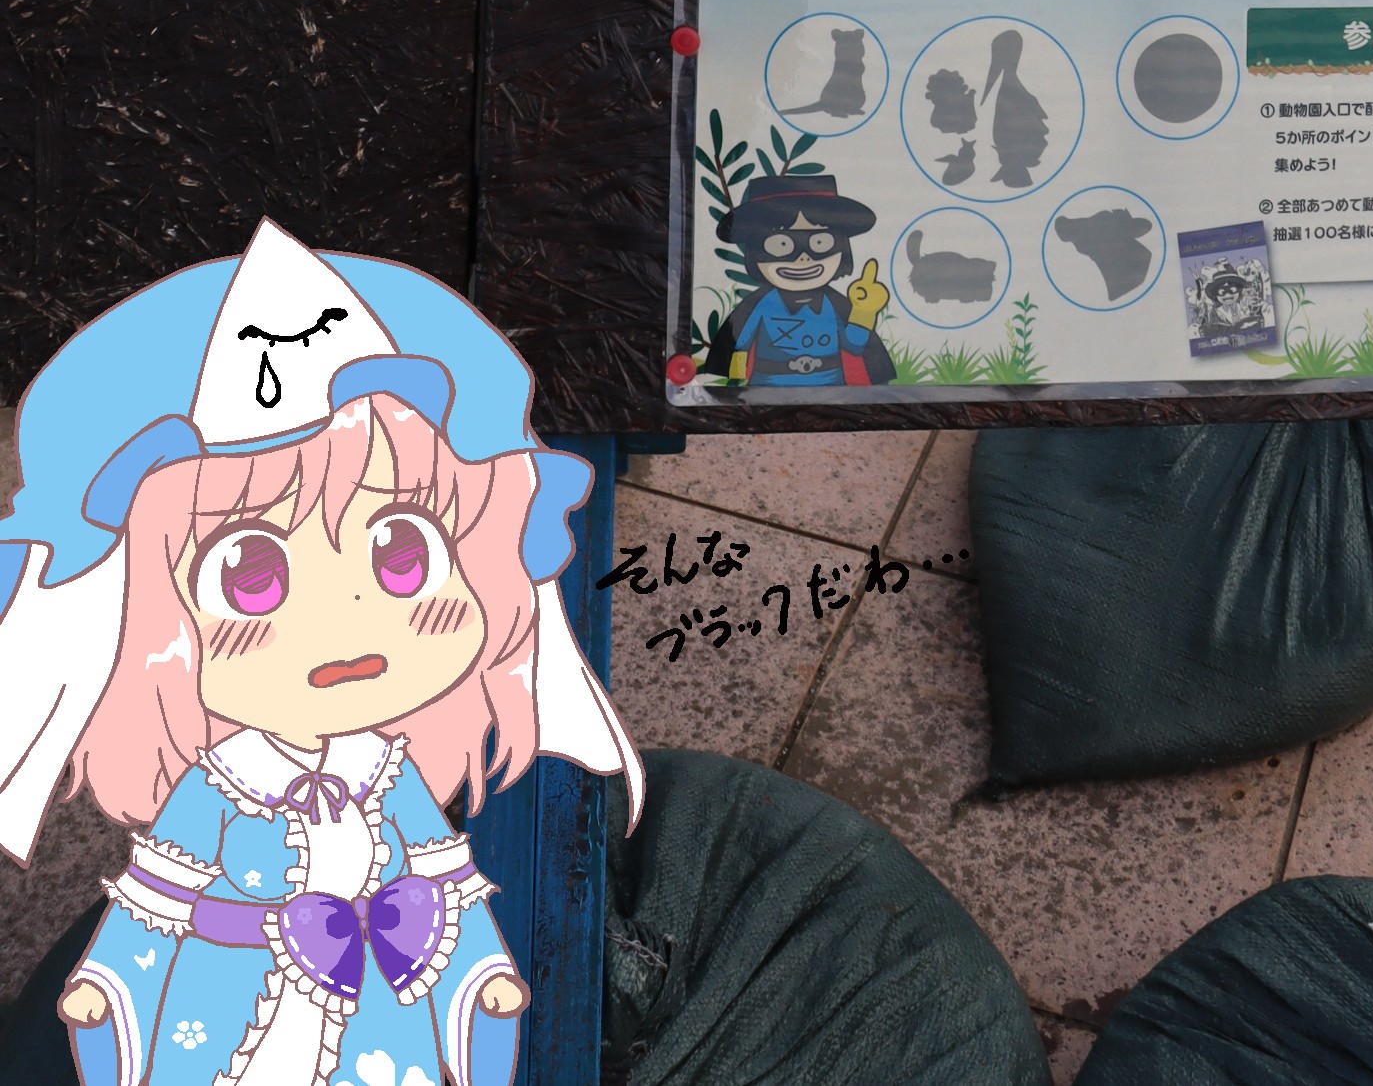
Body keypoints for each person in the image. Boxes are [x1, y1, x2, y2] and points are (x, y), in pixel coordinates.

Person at [0, 222, 642, 1086]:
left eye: (402, 551)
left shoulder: (388, 773)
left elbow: (441, 878)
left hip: (384, 1012)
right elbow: (158, 898)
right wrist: (108, 985)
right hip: (224, 1002)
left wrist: (480, 973)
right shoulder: (220, 784)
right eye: (250, 575)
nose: (347, 617)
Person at [703, 173, 896, 389]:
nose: (803, 258)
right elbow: (739, 342)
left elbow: (855, 344)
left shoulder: (836, 306)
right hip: (767, 389)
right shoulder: (761, 305)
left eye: (820, 243)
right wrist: (735, 384)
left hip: (832, 390)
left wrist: (864, 311)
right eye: (782, 245)